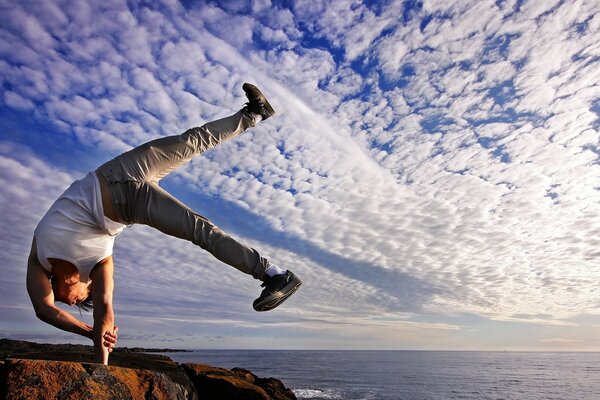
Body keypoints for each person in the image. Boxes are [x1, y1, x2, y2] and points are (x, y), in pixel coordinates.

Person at [26, 83, 302, 365]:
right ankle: (274, 275)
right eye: (78, 303)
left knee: (194, 140)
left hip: (116, 170)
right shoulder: (101, 265)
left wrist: (92, 329)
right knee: (200, 230)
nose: (70, 304)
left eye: (70, 302)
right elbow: (97, 313)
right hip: (131, 204)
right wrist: (94, 336)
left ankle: (254, 114)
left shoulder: (40, 258)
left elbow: (43, 309)